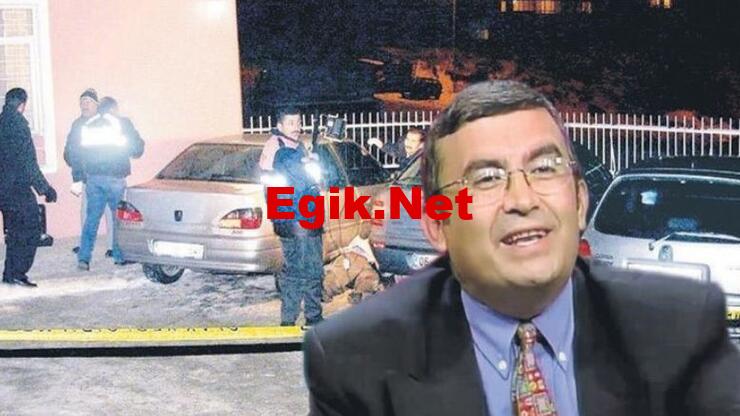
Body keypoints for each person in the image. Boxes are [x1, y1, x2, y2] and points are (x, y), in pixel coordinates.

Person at [303, 81, 740, 415]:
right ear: (438, 225)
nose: (522, 199)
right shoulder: (353, 365)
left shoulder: (683, 334)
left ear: (580, 202)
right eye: (486, 178)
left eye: (545, 168)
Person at [259, 106, 325, 327]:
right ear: (280, 125)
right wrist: (313, 165)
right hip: (299, 220)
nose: (297, 127)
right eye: (291, 123)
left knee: (296, 270)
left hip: (289, 218)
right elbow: (305, 182)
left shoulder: (286, 146)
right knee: (308, 270)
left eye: (298, 122)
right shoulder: (282, 150)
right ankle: (309, 318)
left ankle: (292, 319)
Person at [71, 96, 144, 271]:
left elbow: (79, 153)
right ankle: (119, 256)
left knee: (91, 219)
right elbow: (137, 149)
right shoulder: (122, 123)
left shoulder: (88, 125)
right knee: (118, 219)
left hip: (93, 178)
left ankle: (84, 258)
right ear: (113, 109)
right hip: (115, 178)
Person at [0, 88, 57, 287]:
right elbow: (28, 162)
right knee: (30, 229)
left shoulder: (1, 122)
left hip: (3, 188)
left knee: (15, 232)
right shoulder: (18, 125)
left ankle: (9, 273)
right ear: (22, 105)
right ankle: (17, 272)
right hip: (17, 187)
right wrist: (45, 188)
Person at [63, 88, 115, 257]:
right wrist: (75, 168)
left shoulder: (104, 122)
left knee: (110, 211)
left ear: (96, 105)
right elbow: (70, 149)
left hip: (107, 175)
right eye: (82, 102)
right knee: (86, 211)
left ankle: (113, 246)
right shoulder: (77, 124)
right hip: (87, 176)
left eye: (88, 102)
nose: (84, 105)